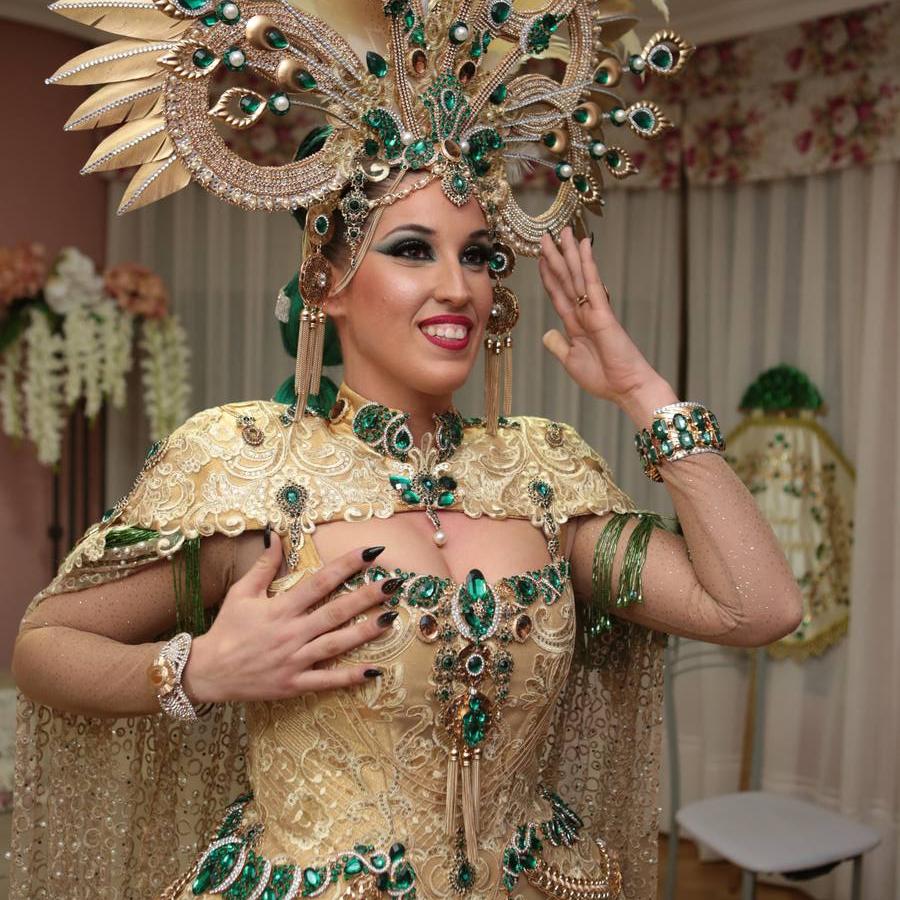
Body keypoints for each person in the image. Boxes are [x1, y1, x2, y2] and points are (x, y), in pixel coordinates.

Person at [11, 2, 802, 899]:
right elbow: (44, 648)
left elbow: (758, 608)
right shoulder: (247, 464)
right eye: (413, 249)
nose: (457, 287)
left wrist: (643, 392)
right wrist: (199, 671)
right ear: (327, 279)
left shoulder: (542, 473)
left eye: (482, 255)